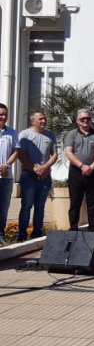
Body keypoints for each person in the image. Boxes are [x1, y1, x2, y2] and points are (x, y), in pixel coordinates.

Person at [17, 111, 58, 241]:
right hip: (29, 176)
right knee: (26, 206)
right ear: (33, 121)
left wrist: (45, 167)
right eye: (40, 119)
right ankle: (22, 236)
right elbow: (21, 154)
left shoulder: (50, 135)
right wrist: (34, 168)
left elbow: (54, 154)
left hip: (45, 177)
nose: (43, 121)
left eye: (44, 119)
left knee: (40, 207)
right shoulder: (25, 134)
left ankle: (37, 234)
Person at [64, 108, 94, 232]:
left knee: (92, 202)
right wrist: (82, 166)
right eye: (82, 119)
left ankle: (93, 227)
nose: (85, 120)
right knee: (75, 202)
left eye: (88, 118)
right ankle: (73, 228)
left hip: (93, 172)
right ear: (77, 121)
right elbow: (68, 152)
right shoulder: (71, 134)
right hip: (76, 172)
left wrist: (92, 167)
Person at [0, 103, 20, 245]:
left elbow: (16, 151)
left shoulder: (12, 132)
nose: (3, 117)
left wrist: (6, 165)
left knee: (3, 208)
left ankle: (0, 235)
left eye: (5, 114)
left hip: (6, 177)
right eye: (0, 114)